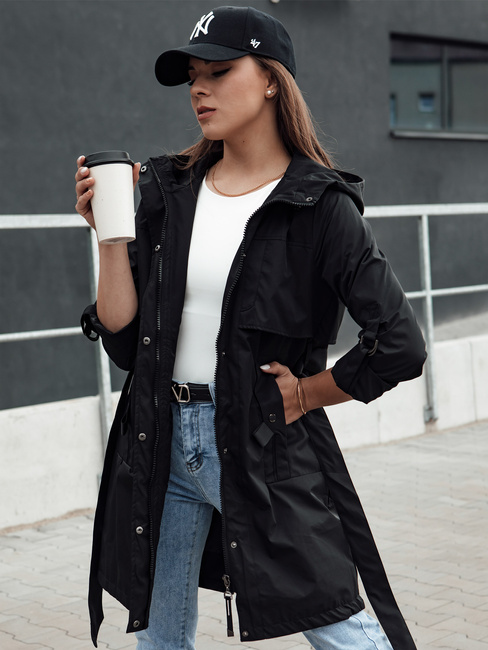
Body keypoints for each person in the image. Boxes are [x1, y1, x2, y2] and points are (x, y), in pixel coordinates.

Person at [76, 6, 426, 650]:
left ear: (270, 80)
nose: (199, 89)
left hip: (258, 441)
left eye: (219, 72)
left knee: (338, 623)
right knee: (159, 636)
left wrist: (308, 392)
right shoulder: (170, 191)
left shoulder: (318, 205)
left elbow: (400, 343)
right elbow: (124, 336)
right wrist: (109, 237)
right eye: (193, 77)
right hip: (159, 437)